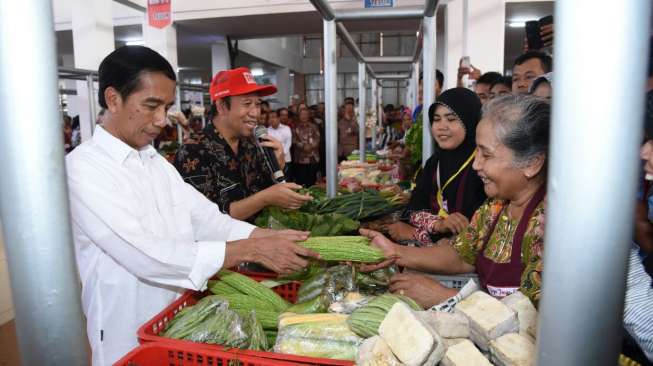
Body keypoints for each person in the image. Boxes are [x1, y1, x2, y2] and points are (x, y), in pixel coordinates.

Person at [65, 46, 319, 365]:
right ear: (113, 99)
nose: (162, 120)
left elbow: (209, 220)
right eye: (151, 105)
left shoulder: (153, 162)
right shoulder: (84, 169)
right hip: (126, 330)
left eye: (167, 107)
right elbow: (145, 253)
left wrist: (265, 238)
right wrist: (250, 251)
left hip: (178, 320)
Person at [361, 95, 550, 308]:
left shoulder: (550, 228)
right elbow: (461, 256)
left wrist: (445, 297)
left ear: (532, 164)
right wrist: (395, 252)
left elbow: (534, 319)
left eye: (486, 155)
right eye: (476, 151)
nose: (476, 164)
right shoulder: (495, 207)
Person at [174, 67, 312, 221]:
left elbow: (262, 188)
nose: (255, 113)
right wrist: (265, 198)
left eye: (257, 104)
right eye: (247, 104)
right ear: (221, 106)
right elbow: (206, 218)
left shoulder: (251, 144)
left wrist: (278, 167)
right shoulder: (193, 151)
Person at [385, 88, 486, 245]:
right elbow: (413, 210)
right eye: (436, 119)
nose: (441, 126)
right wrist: (438, 224)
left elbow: (470, 241)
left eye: (451, 119)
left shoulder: (482, 168)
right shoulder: (435, 161)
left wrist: (417, 235)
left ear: (470, 120)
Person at [292, 108, 321, 187]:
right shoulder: (295, 127)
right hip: (300, 158)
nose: (304, 116)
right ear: (299, 116)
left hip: (313, 158)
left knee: (312, 181)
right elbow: (294, 140)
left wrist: (311, 146)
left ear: (308, 115)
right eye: (302, 114)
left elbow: (318, 139)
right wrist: (303, 146)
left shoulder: (314, 126)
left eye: (306, 114)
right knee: (301, 181)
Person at [266, 110, 293, 180]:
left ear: (278, 118)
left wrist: (282, 153)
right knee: (277, 179)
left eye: (274, 117)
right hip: (273, 159)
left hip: (286, 158)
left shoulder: (286, 128)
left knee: (287, 178)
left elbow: (288, 142)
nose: (272, 119)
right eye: (270, 118)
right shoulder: (267, 130)